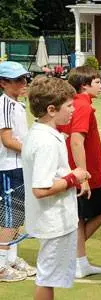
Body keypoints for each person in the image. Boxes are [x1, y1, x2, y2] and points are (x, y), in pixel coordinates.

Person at [22, 76, 89, 300]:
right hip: (53, 222)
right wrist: (75, 177)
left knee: (49, 276)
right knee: (47, 278)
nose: (73, 110)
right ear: (51, 109)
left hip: (54, 220)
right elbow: (41, 188)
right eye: (69, 106)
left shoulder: (46, 134)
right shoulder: (46, 142)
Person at [57, 66, 101, 278]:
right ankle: (72, 255)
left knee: (80, 217)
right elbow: (77, 141)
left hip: (78, 172)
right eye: (97, 82)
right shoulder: (81, 106)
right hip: (85, 174)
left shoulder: (76, 105)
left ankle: (78, 260)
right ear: (84, 85)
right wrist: (84, 176)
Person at [0, 61, 36, 282]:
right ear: (3, 83)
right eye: (17, 80)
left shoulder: (17, 105)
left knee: (17, 215)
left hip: (19, 167)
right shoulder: (4, 104)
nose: (23, 83)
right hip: (7, 168)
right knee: (9, 218)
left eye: (24, 79)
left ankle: (11, 258)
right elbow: (6, 140)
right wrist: (34, 150)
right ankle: (1, 265)